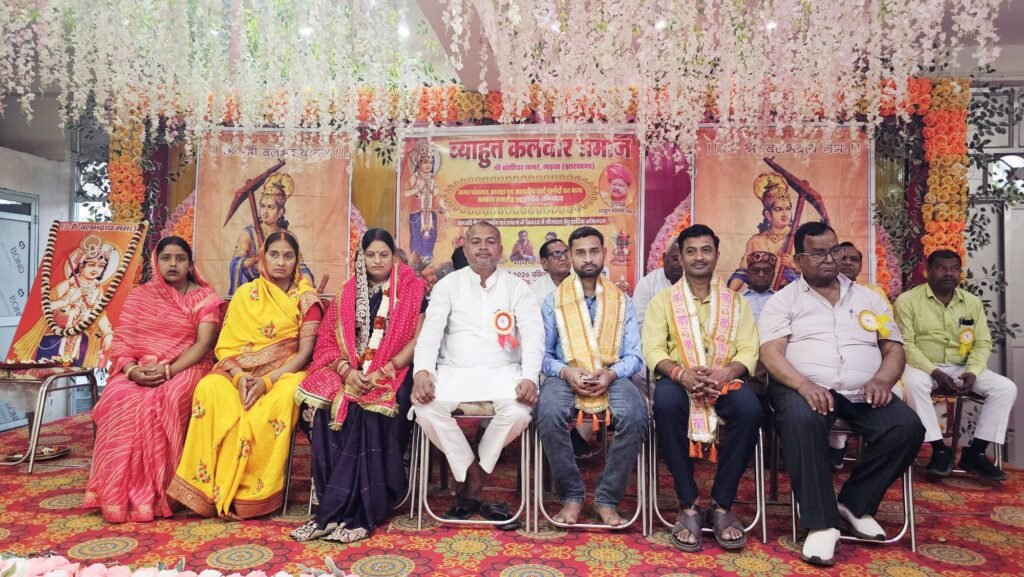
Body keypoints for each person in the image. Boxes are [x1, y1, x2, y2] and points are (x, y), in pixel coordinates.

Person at [758, 221, 924, 567]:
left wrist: (883, 380)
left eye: (834, 250)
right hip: (804, 388)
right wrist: (803, 384)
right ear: (798, 260)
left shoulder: (869, 299)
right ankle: (822, 524)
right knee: (801, 420)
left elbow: (894, 348)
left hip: (864, 391)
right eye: (818, 253)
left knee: (906, 427)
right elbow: (771, 353)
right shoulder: (783, 301)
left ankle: (854, 504)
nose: (830, 259)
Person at [168, 231, 323, 519]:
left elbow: (304, 355)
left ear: (297, 260)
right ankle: (206, 489)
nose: (281, 262)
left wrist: (266, 382)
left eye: (288, 256)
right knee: (209, 388)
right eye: (274, 255)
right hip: (238, 373)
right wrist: (240, 377)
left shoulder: (307, 300)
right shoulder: (245, 294)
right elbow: (227, 347)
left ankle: (249, 493)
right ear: (263, 257)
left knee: (285, 396)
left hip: (284, 373)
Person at [292, 229, 427, 543]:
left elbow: (418, 340)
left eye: (384, 254)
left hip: (396, 370)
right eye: (370, 254)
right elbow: (328, 341)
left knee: (370, 412)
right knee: (323, 407)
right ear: (361, 257)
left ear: (394, 257)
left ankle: (358, 510)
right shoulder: (348, 292)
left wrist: (385, 370)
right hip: (352, 371)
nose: (377, 260)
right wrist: (346, 370)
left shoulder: (413, 288)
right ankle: (333, 508)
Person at [83, 237, 222, 523]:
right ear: (156, 262)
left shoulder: (204, 297)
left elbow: (204, 343)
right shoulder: (140, 296)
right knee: (118, 396)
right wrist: (131, 370)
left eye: (180, 258)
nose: (173, 264)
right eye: (166, 258)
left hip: (187, 365)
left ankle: (163, 493)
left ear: (190, 263)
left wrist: (170, 370)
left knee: (165, 399)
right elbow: (123, 342)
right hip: (140, 367)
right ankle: (116, 493)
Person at [411, 221, 543, 522]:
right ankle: (472, 471)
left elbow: (534, 336)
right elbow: (430, 334)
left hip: (503, 372)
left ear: (500, 249)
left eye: (490, 241)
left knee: (519, 412)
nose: (483, 247)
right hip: (455, 372)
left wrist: (529, 377)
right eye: (476, 242)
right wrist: (422, 372)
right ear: (466, 248)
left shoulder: (518, 288)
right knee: (425, 409)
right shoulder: (447, 285)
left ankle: (476, 475)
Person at [643, 224, 762, 552]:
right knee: (665, 405)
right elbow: (653, 349)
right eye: (691, 251)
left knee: (750, 409)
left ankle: (721, 505)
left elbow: (748, 349)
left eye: (706, 250)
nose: (699, 257)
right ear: (680, 257)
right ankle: (689, 503)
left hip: (724, 380)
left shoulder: (737, 303)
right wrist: (681, 374)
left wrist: (726, 373)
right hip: (679, 381)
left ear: (717, 255)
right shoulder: (663, 301)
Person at [536, 227, 647, 527]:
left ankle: (607, 498)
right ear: (571, 257)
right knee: (547, 412)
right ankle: (571, 495)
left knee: (636, 416)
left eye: (593, 251)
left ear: (604, 254)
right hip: (566, 375)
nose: (588, 259)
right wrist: (566, 371)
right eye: (580, 253)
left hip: (612, 375)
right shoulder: (553, 301)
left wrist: (611, 374)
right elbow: (543, 355)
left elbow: (635, 355)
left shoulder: (622, 301)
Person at [894, 249, 1016, 481]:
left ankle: (976, 452)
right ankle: (939, 450)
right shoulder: (907, 301)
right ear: (927, 272)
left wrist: (973, 371)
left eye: (954, 269)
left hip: (961, 366)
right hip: (923, 367)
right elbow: (906, 345)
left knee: (1005, 387)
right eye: (941, 268)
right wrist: (935, 372)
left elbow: (982, 342)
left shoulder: (971, 302)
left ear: (960, 273)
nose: (948, 274)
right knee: (912, 384)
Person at [13, 233, 116, 366]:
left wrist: (107, 332)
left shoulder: (97, 289)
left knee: (75, 370)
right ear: (81, 266)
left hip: (79, 340)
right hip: (55, 336)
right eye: (91, 264)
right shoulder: (68, 284)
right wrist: (70, 300)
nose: (96, 269)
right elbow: (46, 307)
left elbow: (99, 312)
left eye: (101, 266)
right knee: (46, 370)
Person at [229, 173, 314, 295]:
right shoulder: (249, 234)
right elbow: (236, 264)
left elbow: (300, 266)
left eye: (270, 207)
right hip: (255, 292)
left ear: (280, 212)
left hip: (283, 291)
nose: (265, 212)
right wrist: (255, 261)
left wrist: (308, 284)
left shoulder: (288, 236)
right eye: (262, 206)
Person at [728, 172, 799, 291]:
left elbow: (815, 275)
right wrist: (728, 295)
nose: (785, 214)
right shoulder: (756, 241)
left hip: (790, 295)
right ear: (768, 215)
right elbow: (742, 273)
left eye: (788, 209)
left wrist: (795, 266)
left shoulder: (798, 238)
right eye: (779, 209)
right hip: (761, 296)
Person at [404, 141, 448, 264]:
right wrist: (417, 189)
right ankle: (416, 267)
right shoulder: (415, 177)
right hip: (417, 215)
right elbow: (404, 193)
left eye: (430, 162)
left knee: (430, 242)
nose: (428, 165)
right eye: (425, 162)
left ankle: (428, 265)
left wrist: (445, 209)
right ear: (419, 163)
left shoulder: (432, 179)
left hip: (431, 216)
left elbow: (437, 196)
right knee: (417, 243)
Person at [632, 241, 683, 333]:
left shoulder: (694, 283)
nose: (679, 264)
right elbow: (638, 325)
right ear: (664, 257)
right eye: (675, 259)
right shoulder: (646, 284)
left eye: (683, 260)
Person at [531, 238, 571, 303]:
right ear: (545, 263)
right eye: (556, 254)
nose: (563, 258)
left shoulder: (581, 282)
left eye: (566, 253)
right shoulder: (535, 291)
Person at [740, 251, 776, 323]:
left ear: (773, 274)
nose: (761, 274)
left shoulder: (782, 299)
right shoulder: (737, 300)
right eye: (755, 270)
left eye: (767, 270)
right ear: (748, 273)